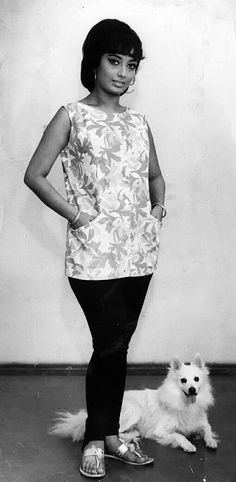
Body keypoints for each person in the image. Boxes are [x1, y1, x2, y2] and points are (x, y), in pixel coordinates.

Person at [24, 18, 166, 479]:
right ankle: (95, 437)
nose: (123, 73)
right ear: (94, 61)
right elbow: (35, 175)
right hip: (92, 254)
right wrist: (77, 215)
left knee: (117, 346)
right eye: (114, 60)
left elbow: (155, 178)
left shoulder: (139, 122)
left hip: (138, 252)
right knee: (108, 344)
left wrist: (157, 210)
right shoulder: (72, 114)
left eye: (131, 64)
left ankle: (109, 436)